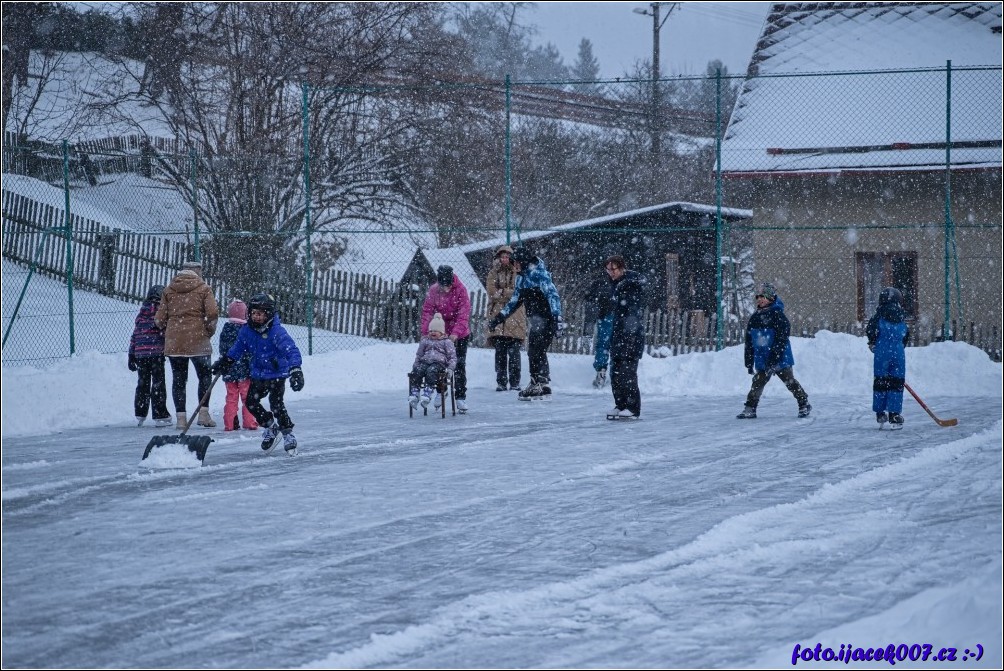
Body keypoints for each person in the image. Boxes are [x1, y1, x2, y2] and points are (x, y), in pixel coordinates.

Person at [212, 293, 304, 455]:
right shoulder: (247, 331)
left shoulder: (277, 332)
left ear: (268, 313)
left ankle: (288, 434)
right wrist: (226, 361)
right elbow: (238, 348)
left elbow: (291, 350)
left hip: (276, 373)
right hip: (258, 373)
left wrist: (295, 369)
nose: (256, 317)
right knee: (251, 402)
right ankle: (270, 427)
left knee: (276, 404)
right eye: (253, 313)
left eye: (260, 314)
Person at [487, 247, 565, 400]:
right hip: (536, 320)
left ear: (522, 262)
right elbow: (515, 301)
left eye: (515, 262)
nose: (514, 266)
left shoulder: (539, 275)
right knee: (537, 349)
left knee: (535, 350)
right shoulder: (521, 279)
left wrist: (557, 319)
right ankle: (542, 382)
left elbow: (553, 296)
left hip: (547, 319)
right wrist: (499, 318)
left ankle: (536, 382)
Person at [155, 260, 220, 429]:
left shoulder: (169, 290)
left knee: (178, 379)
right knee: (204, 376)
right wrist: (207, 330)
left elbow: (159, 319)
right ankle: (203, 414)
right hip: (198, 340)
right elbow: (212, 312)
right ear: (198, 272)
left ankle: (181, 419)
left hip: (175, 341)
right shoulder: (204, 288)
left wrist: (170, 328)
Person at [736, 282, 812, 419]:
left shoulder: (778, 316)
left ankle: (803, 403)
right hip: (763, 358)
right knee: (757, 382)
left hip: (780, 357)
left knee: (789, 381)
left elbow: (781, 339)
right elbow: (749, 341)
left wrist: (774, 357)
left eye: (763, 296)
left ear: (771, 298)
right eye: (757, 296)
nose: (759, 299)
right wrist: (749, 360)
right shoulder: (755, 318)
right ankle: (750, 408)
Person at [421, 265, 472, 412]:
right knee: (438, 362)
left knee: (459, 364)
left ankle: (461, 397)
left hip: (460, 334)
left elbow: (464, 315)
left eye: (448, 286)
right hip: (440, 332)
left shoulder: (461, 290)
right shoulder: (433, 291)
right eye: (443, 286)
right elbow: (427, 312)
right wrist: (426, 332)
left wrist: (455, 334)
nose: (445, 289)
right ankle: (441, 390)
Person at [604, 255, 647, 420]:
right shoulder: (615, 286)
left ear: (621, 268)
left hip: (631, 336)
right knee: (615, 372)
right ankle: (620, 404)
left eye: (613, 269)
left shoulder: (631, 286)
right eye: (608, 269)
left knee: (627, 373)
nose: (610, 272)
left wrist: (629, 337)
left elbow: (632, 314)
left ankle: (632, 407)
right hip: (618, 334)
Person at [128, 284, 172, 427]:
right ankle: (160, 415)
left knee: (143, 383)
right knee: (158, 383)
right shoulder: (161, 311)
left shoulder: (141, 313)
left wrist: (131, 353)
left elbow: (135, 334)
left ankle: (140, 413)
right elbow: (163, 331)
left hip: (141, 353)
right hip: (156, 353)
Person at [866, 286, 910, 428]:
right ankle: (894, 414)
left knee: (881, 382)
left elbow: (871, 329)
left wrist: (872, 341)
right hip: (898, 352)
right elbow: (906, 335)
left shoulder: (879, 314)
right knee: (896, 383)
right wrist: (900, 345)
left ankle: (880, 413)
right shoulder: (901, 315)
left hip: (882, 351)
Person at [485, 245, 526, 392]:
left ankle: (515, 382)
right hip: (498, 315)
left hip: (515, 316)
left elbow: (518, 292)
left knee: (514, 352)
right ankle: (501, 382)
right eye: (502, 256)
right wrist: (506, 294)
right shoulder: (493, 272)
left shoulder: (518, 272)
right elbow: (491, 291)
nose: (505, 259)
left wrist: (502, 292)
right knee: (500, 352)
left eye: (507, 257)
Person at [218, 299, 258, 432]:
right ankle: (250, 422)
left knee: (231, 397)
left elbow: (223, 350)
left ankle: (229, 423)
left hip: (229, 370)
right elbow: (250, 351)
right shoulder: (247, 330)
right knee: (247, 397)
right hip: (244, 371)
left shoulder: (226, 329)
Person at [408, 312, 458, 410]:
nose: (433, 332)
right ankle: (415, 391)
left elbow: (452, 357)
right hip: (425, 362)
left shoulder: (446, 342)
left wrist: (450, 368)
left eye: (436, 330)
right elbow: (419, 355)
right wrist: (415, 365)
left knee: (431, 371)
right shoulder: (425, 341)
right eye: (431, 331)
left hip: (439, 364)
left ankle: (428, 391)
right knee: (418, 371)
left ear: (442, 332)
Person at [587, 274, 614, 388]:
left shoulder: (598, 284)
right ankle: (616, 373)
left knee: (602, 345)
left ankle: (601, 372)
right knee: (617, 345)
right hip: (617, 316)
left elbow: (590, 299)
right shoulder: (618, 284)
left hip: (604, 316)